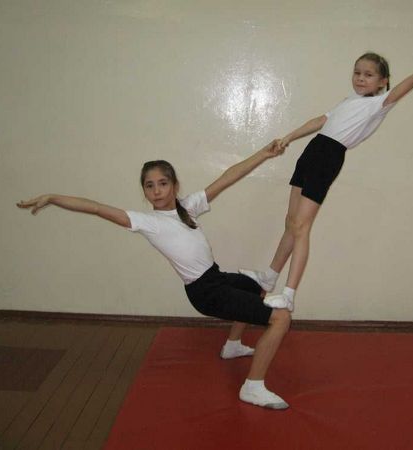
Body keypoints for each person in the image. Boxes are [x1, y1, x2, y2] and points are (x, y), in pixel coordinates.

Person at [17, 141, 292, 410]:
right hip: (205, 292)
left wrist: (264, 154)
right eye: (149, 186)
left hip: (215, 278)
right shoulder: (148, 222)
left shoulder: (188, 207)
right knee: (280, 317)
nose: (157, 190)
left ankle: (232, 345)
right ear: (144, 191)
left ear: (174, 185)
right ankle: (252, 387)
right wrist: (53, 198)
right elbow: (98, 208)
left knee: (255, 285)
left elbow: (228, 177)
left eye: (162, 183)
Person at [240, 43, 413, 311]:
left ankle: (289, 294)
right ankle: (269, 276)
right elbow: (320, 121)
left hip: (328, 156)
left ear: (383, 82)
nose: (361, 78)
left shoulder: (379, 104)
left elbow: (412, 80)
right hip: (312, 151)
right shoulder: (348, 101)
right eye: (357, 73)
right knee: (291, 222)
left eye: (368, 75)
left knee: (302, 227)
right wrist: (289, 137)